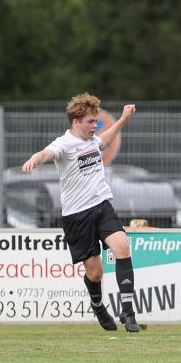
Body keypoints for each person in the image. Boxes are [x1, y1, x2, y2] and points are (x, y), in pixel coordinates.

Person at [22, 93, 140, 333]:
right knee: (95, 273)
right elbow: (47, 153)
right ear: (76, 121)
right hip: (77, 216)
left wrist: (124, 118)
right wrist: (36, 158)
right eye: (90, 122)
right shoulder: (64, 144)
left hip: (102, 206)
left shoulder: (92, 140)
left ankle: (128, 311)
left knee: (122, 247)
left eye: (95, 121)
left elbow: (104, 141)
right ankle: (98, 306)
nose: (94, 126)